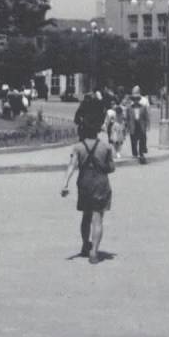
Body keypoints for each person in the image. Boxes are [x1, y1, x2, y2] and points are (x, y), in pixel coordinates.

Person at [61, 104, 116, 264]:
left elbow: (71, 166)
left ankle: (85, 244)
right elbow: (111, 168)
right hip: (100, 183)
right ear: (98, 130)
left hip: (84, 183)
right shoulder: (105, 147)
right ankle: (94, 252)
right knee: (97, 217)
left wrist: (65, 184)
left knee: (86, 216)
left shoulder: (78, 147)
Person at [127, 88, 151, 164]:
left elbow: (146, 117)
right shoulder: (129, 108)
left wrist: (148, 125)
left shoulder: (143, 107)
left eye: (137, 99)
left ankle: (141, 153)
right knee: (133, 140)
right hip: (133, 125)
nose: (136, 101)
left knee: (142, 140)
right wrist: (127, 127)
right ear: (133, 100)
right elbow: (127, 118)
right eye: (134, 99)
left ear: (139, 99)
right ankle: (134, 153)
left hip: (141, 125)